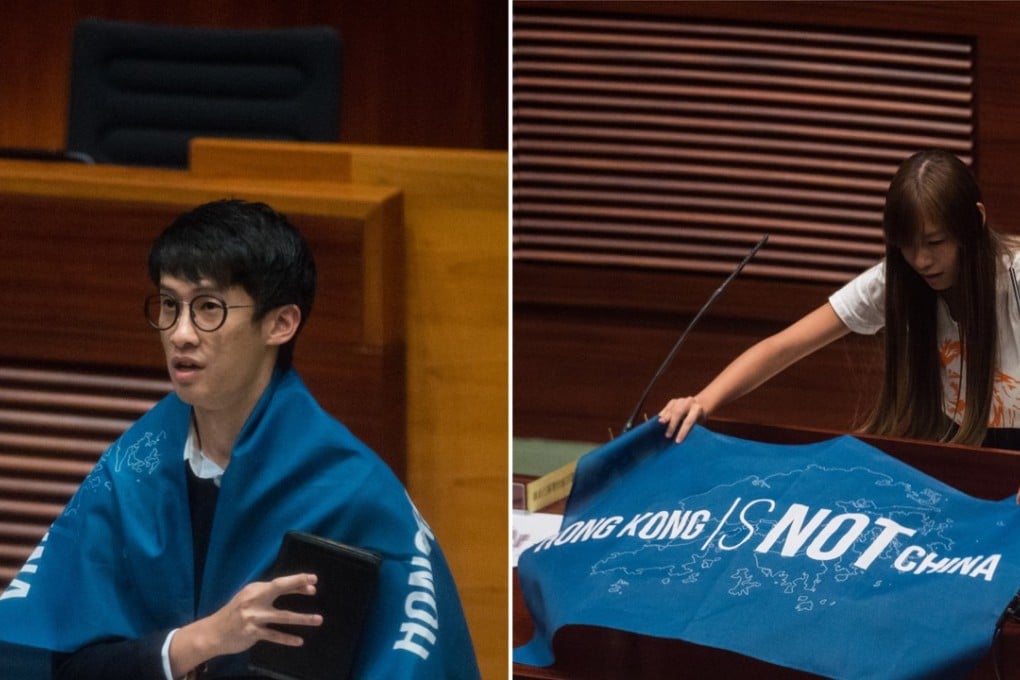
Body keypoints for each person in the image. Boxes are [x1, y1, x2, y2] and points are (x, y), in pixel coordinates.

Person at [0, 199, 480, 679]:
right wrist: (200, 641)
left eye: (209, 308)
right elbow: (56, 665)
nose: (180, 334)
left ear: (280, 323)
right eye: (170, 305)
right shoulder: (132, 468)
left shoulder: (351, 490)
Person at [659, 149, 1020, 451]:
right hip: (965, 448)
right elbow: (785, 346)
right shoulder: (898, 280)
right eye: (907, 245)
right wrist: (702, 402)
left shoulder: (1015, 275)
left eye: (935, 242)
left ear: (976, 220)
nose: (921, 260)